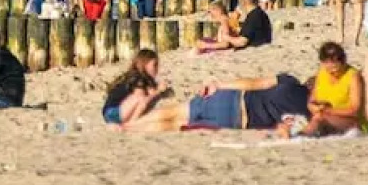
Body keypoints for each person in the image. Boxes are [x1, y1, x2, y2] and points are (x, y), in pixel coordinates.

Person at [121, 72, 311, 132]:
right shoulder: (310, 112)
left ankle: (129, 126)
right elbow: (287, 127)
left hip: (236, 99)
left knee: (177, 111)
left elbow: (255, 83)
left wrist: (220, 84)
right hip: (237, 122)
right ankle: (134, 129)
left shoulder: (290, 82)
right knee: (178, 124)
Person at [286, 41, 363, 138]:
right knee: (289, 120)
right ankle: (300, 134)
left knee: (320, 118)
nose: (332, 72)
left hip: (350, 120)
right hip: (323, 116)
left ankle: (301, 136)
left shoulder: (353, 76)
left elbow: (354, 110)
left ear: (343, 63)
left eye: (336, 69)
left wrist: (328, 111)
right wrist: (314, 107)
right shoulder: (322, 73)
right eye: (329, 69)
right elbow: (311, 101)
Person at [102, 49, 169, 125]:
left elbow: (151, 93)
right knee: (141, 99)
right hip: (112, 113)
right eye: (155, 65)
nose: (157, 69)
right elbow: (142, 99)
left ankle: (131, 122)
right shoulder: (137, 78)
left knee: (146, 98)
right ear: (145, 64)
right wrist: (158, 91)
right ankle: (131, 124)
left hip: (118, 111)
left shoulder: (145, 79)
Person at [197, 0, 271, 52]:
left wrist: (226, 37)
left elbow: (242, 42)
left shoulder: (254, 17)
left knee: (199, 46)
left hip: (251, 50)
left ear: (244, 1)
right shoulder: (260, 14)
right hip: (259, 47)